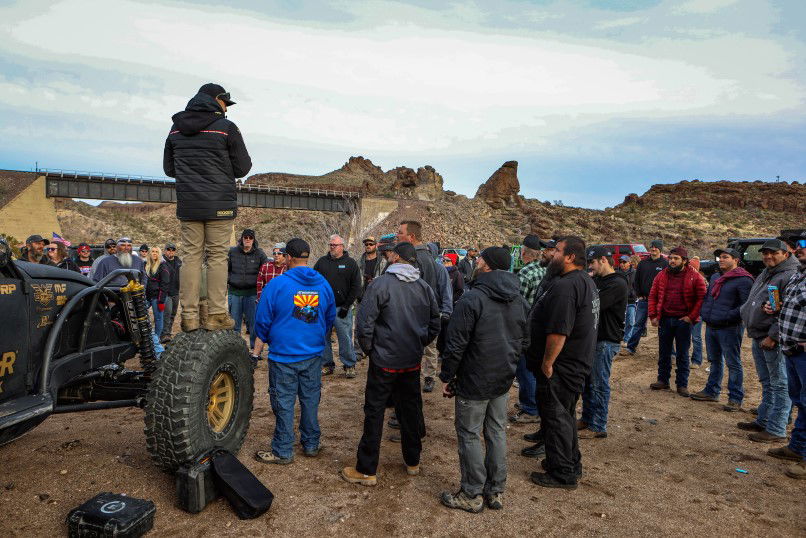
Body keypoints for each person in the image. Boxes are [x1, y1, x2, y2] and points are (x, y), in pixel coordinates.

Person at [341, 242, 440, 487]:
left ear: (395, 257)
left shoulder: (381, 284)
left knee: (374, 413)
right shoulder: (424, 287)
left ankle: (366, 470)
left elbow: (364, 323)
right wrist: (418, 344)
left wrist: (371, 350)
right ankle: (413, 462)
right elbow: (434, 324)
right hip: (410, 361)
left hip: (384, 361)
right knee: (410, 410)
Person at [438, 247, 528, 512]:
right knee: (496, 431)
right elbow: (525, 341)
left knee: (469, 434)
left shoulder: (472, 299)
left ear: (487, 265)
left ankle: (472, 493)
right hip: (502, 377)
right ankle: (495, 489)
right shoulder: (519, 299)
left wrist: (447, 375)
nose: (476, 261)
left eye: (480, 259)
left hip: (475, 379)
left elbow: (455, 344)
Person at [164, 82, 252, 332]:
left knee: (190, 257)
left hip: (189, 204)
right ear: (216, 100)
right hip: (219, 204)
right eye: (225, 103)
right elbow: (243, 168)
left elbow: (169, 169)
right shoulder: (226, 128)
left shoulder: (175, 129)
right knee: (217, 257)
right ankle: (216, 314)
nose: (227, 108)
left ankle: (189, 316)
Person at [253, 239, 336, 465]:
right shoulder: (323, 284)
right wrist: (315, 337)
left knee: (283, 403)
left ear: (288, 257)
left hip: (283, 356)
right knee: (310, 400)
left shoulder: (277, 285)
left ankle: (283, 450)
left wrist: (267, 341)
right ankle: (311, 444)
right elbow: (329, 318)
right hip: (312, 354)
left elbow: (262, 320)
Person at [526, 236, 598, 489]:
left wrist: (547, 363)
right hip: (574, 363)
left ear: (570, 257)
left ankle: (562, 473)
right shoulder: (584, 281)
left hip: (562, 366)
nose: (552, 254)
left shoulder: (567, 286)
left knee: (555, 417)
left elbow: (558, 331)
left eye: (557, 251)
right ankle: (569, 462)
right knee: (564, 416)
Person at [738, 239, 798, 443]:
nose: (768, 256)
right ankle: (764, 419)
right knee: (767, 381)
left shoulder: (789, 275)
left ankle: (777, 428)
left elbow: (788, 312)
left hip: (772, 338)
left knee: (780, 384)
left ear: (786, 254)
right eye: (765, 253)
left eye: (773, 253)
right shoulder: (769, 272)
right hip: (759, 335)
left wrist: (774, 336)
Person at [690, 248, 753, 410]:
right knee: (714, 360)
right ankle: (712, 391)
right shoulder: (716, 277)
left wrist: (727, 316)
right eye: (720, 257)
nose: (721, 260)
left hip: (730, 327)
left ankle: (735, 398)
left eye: (725, 257)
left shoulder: (744, 280)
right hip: (712, 325)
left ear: (736, 260)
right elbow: (708, 297)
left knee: (733, 363)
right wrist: (705, 312)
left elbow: (745, 306)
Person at [579, 246, 628, 439]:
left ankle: (598, 426)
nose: (590, 266)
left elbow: (593, 305)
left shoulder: (617, 283)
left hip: (606, 340)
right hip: (594, 339)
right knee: (588, 383)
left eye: (592, 262)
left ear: (603, 260)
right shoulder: (597, 280)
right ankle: (587, 418)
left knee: (598, 384)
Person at [769, 232, 805, 478]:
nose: (798, 248)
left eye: (804, 245)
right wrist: (774, 309)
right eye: (798, 244)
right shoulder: (798, 275)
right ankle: (797, 448)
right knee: (800, 401)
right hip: (791, 349)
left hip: (802, 351)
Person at [647, 246, 706, 397]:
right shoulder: (662, 275)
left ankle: (682, 384)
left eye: (676, 258)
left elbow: (701, 298)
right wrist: (653, 315)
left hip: (683, 321)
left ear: (684, 261)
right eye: (670, 258)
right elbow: (653, 295)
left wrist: (691, 317)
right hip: (665, 319)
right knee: (664, 352)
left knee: (682, 354)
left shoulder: (695, 276)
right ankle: (663, 380)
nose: (672, 261)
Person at [396, 221, 442, 393]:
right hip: (425, 311)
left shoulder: (415, 258)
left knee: (420, 350)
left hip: (415, 314)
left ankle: (423, 379)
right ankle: (427, 377)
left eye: (400, 233)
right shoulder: (428, 257)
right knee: (427, 347)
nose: (397, 236)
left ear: (411, 236)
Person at [509, 234, 546, 425]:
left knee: (524, 370)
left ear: (523, 253)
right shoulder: (545, 270)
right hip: (541, 327)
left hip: (526, 328)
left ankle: (531, 408)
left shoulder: (524, 274)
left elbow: (517, 304)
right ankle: (533, 402)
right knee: (536, 370)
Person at [314, 234, 362, 378]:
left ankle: (349, 365)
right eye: (330, 245)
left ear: (342, 246)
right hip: (324, 308)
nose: (332, 247)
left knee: (345, 337)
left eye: (334, 245)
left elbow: (356, 286)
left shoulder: (351, 263)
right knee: (323, 337)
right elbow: (313, 282)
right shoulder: (321, 262)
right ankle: (327, 364)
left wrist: (347, 306)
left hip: (342, 308)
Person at [624, 240, 668, 355]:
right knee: (638, 324)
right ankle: (630, 348)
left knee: (663, 327)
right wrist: (639, 294)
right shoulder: (643, 263)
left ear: (660, 249)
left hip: (660, 301)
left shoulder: (665, 264)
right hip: (644, 300)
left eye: (656, 247)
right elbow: (636, 280)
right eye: (652, 247)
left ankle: (668, 352)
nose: (653, 249)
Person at [227, 228, 268, 349]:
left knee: (253, 323)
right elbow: (226, 269)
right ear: (242, 239)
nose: (248, 240)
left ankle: (254, 350)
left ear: (253, 240)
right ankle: (235, 349)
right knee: (234, 323)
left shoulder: (260, 254)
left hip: (252, 293)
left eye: (250, 238)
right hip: (235, 292)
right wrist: (229, 280)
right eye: (246, 237)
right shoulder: (232, 252)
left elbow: (265, 271)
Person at [251, 242, 287, 364]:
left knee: (279, 330)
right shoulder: (266, 266)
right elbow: (259, 284)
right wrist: (261, 300)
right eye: (274, 253)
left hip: (282, 306)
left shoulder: (288, 268)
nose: (276, 255)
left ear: (284, 255)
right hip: (266, 304)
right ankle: (255, 356)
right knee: (261, 329)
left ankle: (277, 355)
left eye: (279, 253)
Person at [144, 246, 171, 340]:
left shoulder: (163, 266)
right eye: (152, 251)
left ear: (159, 254)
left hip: (158, 297)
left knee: (158, 318)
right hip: (147, 297)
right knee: (141, 315)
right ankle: (147, 337)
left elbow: (165, 284)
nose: (154, 253)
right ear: (149, 253)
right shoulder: (146, 265)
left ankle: (156, 339)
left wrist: (161, 301)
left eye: (156, 252)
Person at [160, 242, 182, 342]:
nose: (170, 252)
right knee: (167, 314)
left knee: (173, 314)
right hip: (166, 292)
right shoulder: (161, 262)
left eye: (173, 250)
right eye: (168, 249)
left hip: (176, 291)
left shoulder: (178, 261)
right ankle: (164, 334)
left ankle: (168, 333)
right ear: (165, 251)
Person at [688, 257, 707, 368]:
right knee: (684, 336)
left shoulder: (702, 280)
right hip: (685, 312)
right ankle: (684, 358)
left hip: (697, 313)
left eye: (693, 267)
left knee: (696, 337)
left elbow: (704, 297)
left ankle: (696, 360)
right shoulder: (684, 278)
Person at [618, 255, 637, 346]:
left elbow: (638, 284)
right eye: (620, 262)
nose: (622, 264)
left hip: (631, 301)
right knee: (619, 321)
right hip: (619, 301)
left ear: (629, 263)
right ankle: (618, 338)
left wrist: (635, 293)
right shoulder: (616, 273)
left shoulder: (635, 273)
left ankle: (627, 339)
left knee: (630, 321)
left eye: (624, 262)